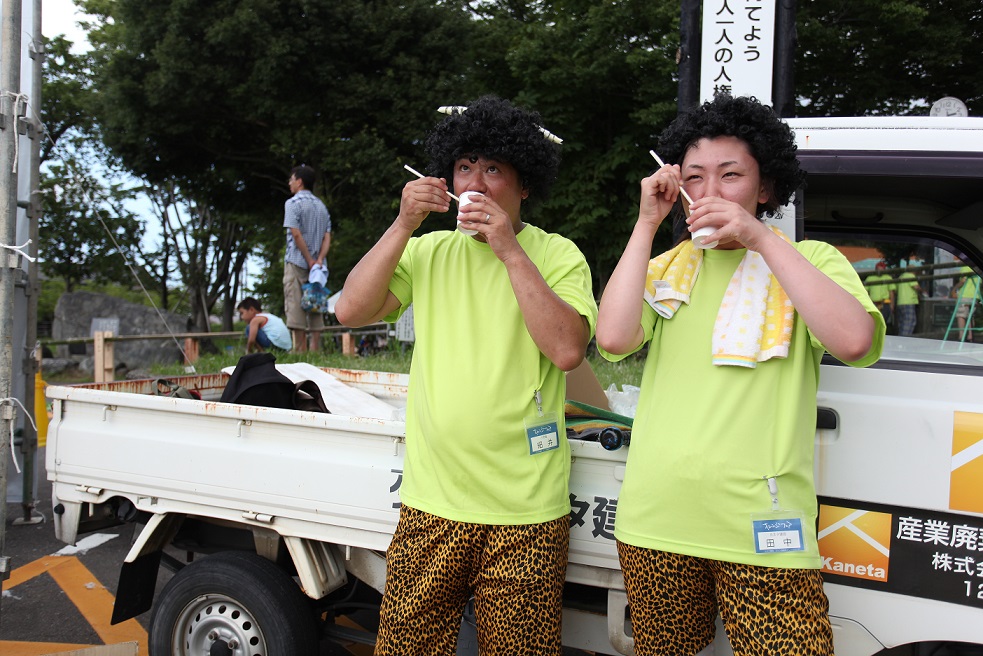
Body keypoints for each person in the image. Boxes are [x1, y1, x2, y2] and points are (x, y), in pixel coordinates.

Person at [595, 95, 885, 656]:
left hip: (764, 525)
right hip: (656, 519)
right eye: (695, 178)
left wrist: (757, 238)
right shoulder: (666, 268)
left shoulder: (810, 261)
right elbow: (611, 338)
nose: (710, 193)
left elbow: (853, 341)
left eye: (731, 176)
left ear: (766, 187)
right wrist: (646, 222)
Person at [335, 95, 597, 655]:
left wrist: (508, 249)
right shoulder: (428, 251)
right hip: (432, 502)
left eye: (494, 169)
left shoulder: (558, 255)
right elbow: (349, 311)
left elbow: (567, 350)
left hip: (528, 511)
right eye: (465, 166)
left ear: (525, 185)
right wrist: (404, 221)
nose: (476, 182)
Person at [283, 164, 332, 353]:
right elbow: (327, 236)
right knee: (316, 302)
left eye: (292, 179)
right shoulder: (321, 206)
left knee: (295, 302)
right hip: (318, 268)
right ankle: (315, 349)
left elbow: (295, 234)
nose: (290, 183)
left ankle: (299, 350)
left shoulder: (292, 203)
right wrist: (318, 259)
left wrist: (308, 259)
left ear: (299, 181)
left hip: (297, 261)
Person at [952, 264, 980, 342]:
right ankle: (970, 336)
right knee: (970, 316)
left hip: (965, 295)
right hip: (975, 295)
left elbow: (963, 281)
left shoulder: (965, 268)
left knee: (961, 315)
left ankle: (961, 336)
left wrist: (954, 289)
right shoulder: (978, 268)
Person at [865, 260, 896, 331]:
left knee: (884, 320)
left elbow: (891, 292)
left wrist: (892, 305)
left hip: (885, 302)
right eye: (878, 269)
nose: (879, 271)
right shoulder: (870, 278)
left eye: (881, 270)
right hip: (873, 303)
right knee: (873, 322)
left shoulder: (888, 278)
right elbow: (866, 291)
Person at [896, 258, 923, 337]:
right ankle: (905, 339)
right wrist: (922, 291)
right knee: (910, 322)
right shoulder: (911, 276)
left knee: (902, 322)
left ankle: (900, 339)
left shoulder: (901, 276)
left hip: (900, 302)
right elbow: (916, 287)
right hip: (908, 301)